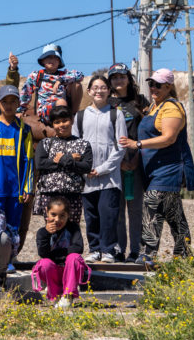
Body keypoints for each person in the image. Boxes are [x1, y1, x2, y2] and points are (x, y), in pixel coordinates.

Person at [119, 69, 194, 267]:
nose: (153, 88)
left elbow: (169, 138)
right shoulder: (155, 107)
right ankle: (185, 256)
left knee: (152, 204)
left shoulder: (171, 107)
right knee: (174, 214)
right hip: (155, 170)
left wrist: (137, 144)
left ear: (169, 86)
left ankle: (148, 254)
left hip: (169, 169)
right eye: (151, 84)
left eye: (158, 85)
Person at [73, 76, 127, 264]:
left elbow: (121, 146)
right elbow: (75, 146)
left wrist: (102, 169)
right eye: (95, 87)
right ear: (89, 91)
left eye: (103, 87)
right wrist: (83, 169)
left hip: (109, 177)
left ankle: (108, 250)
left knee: (109, 214)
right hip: (87, 178)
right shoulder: (80, 116)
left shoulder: (115, 115)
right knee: (91, 215)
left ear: (109, 91)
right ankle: (94, 249)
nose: (99, 91)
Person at [0, 85, 35, 261]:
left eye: (13, 101)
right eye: (5, 102)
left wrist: (28, 187)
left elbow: (29, 160)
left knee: (13, 226)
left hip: (15, 189)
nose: (9, 105)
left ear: (18, 103)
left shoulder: (24, 129)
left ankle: (10, 258)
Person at [107, 63, 149, 262]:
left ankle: (136, 250)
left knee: (135, 208)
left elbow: (148, 130)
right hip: (115, 163)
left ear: (129, 79)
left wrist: (136, 156)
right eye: (114, 77)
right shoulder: (106, 102)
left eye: (122, 76)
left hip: (136, 160)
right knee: (117, 209)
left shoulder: (140, 101)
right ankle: (118, 249)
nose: (118, 80)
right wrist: (118, 161)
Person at [34, 106, 93, 224]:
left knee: (72, 232)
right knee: (52, 230)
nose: (62, 125)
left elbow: (86, 167)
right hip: (50, 195)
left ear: (71, 121)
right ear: (52, 124)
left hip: (73, 195)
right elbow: (40, 164)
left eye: (65, 120)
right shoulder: (45, 143)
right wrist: (71, 158)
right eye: (57, 122)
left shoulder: (82, 144)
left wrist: (62, 159)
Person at [32, 196, 89, 309]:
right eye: (53, 214)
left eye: (62, 216)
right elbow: (43, 253)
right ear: (47, 213)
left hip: (69, 270)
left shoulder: (73, 228)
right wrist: (47, 234)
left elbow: (78, 248)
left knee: (74, 258)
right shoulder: (42, 232)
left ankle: (68, 295)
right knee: (44, 263)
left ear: (68, 216)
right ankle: (55, 295)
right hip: (53, 271)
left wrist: (57, 255)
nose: (57, 220)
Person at [11, 44, 84, 125]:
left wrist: (61, 80)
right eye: (48, 57)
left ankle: (74, 115)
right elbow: (25, 93)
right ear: (43, 60)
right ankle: (65, 122)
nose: (51, 60)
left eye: (55, 58)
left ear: (59, 61)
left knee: (77, 85)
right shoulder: (36, 75)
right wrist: (20, 110)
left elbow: (80, 75)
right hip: (46, 111)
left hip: (65, 108)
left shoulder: (64, 74)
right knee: (61, 102)